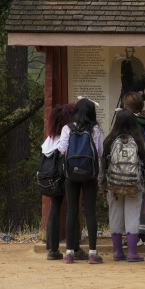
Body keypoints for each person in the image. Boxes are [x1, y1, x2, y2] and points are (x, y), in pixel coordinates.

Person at [100, 109, 145, 262]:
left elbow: (102, 167)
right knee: (132, 216)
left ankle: (118, 252)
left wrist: (103, 187)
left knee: (115, 216)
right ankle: (132, 252)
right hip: (135, 186)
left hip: (114, 186)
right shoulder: (140, 142)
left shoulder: (109, 141)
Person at [57, 98, 104, 264]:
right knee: (90, 212)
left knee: (72, 211)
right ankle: (92, 253)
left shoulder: (67, 129)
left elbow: (62, 149)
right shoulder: (95, 129)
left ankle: (69, 252)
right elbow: (99, 152)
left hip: (71, 174)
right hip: (90, 175)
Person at [40, 104, 89, 261]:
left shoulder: (49, 139)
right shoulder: (67, 135)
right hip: (66, 175)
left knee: (54, 208)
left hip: (51, 178)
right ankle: (74, 247)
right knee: (72, 208)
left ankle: (53, 249)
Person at [121, 91, 145, 246]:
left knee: (132, 202)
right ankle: (144, 234)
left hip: (132, 168)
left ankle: (133, 235)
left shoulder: (129, 124)